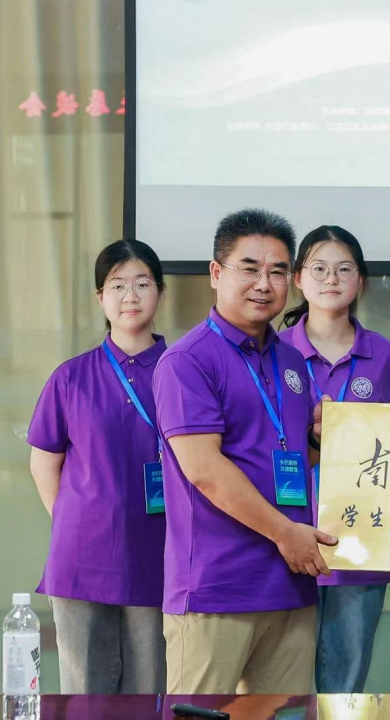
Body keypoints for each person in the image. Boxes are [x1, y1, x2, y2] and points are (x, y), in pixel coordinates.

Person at [152, 208, 337, 694]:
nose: (264, 284)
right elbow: (204, 469)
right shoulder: (187, 361)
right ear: (216, 273)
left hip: (290, 585)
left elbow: (285, 457)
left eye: (278, 272)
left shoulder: (291, 359)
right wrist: (286, 534)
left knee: (286, 714)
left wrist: (319, 440)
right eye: (249, 268)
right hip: (216, 589)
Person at [26, 239, 168, 693]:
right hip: (82, 559)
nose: (130, 296)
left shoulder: (183, 371)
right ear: (100, 297)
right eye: (117, 285)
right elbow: (44, 462)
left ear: (160, 292)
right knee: (85, 694)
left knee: (150, 690)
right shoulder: (71, 377)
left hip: (161, 554)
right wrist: (79, 521)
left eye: (142, 283)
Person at [278, 225, 390, 693]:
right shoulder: (273, 353)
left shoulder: (384, 356)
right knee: (280, 690)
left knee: (344, 692)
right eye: (318, 268)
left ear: (361, 281)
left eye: (343, 269)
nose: (331, 278)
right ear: (298, 278)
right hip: (283, 541)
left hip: (360, 546)